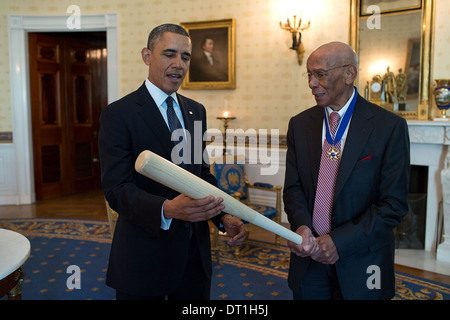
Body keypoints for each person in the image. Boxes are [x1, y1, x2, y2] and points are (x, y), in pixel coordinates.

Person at [98, 23, 245, 300]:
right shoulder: (119, 114)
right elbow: (116, 190)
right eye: (169, 54)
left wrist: (223, 217)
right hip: (143, 256)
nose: (178, 64)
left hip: (193, 256)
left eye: (185, 57)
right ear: (147, 56)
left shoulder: (195, 111)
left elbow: (201, 176)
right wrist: (167, 209)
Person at [283, 41, 410, 300]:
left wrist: (340, 242)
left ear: (349, 74)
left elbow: (393, 205)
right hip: (309, 260)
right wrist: (302, 226)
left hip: (363, 260)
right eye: (309, 74)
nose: (311, 83)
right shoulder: (299, 124)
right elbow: (293, 188)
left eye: (320, 74)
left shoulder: (389, 127)